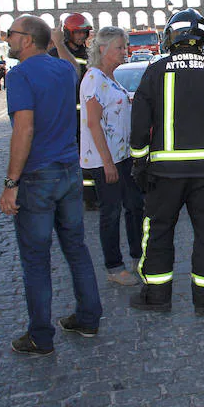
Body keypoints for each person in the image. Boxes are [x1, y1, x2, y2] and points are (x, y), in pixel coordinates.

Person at [128, 9, 204, 315]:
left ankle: (157, 296)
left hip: (164, 173)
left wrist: (139, 162)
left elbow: (139, 124)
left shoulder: (155, 71)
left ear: (171, 37)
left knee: (159, 230)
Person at [0, 15, 102, 356]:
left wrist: (11, 182)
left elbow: (24, 130)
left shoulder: (19, 75)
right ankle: (88, 317)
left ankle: (40, 336)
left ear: (27, 40)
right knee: (77, 249)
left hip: (38, 176)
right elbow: (75, 69)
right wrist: (58, 42)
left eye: (12, 34)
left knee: (36, 259)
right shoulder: (63, 70)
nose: (8, 39)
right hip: (69, 171)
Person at [80, 27, 144, 286]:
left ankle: (138, 257)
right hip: (105, 160)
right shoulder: (93, 79)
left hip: (123, 156)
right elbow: (93, 124)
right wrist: (107, 162)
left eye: (124, 46)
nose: (124, 51)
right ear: (103, 49)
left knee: (135, 206)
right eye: (119, 47)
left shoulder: (111, 78)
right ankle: (114, 266)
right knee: (111, 212)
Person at [49, 14, 97, 211]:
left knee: (89, 157)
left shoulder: (89, 53)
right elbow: (72, 72)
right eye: (77, 32)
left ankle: (90, 197)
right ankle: (68, 195)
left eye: (83, 32)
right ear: (68, 33)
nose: (80, 36)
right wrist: (59, 45)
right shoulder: (55, 53)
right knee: (68, 158)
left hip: (86, 115)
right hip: (66, 116)